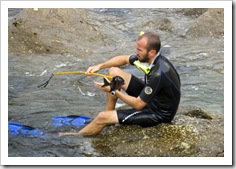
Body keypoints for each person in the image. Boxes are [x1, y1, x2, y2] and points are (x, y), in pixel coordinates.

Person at [60, 32, 181, 136]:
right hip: (153, 99)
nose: (136, 52)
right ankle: (110, 116)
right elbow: (124, 59)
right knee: (114, 72)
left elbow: (138, 105)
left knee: (102, 117)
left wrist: (113, 90)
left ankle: (76, 135)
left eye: (139, 50)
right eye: (136, 48)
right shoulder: (149, 57)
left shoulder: (158, 73)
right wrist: (99, 66)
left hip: (157, 114)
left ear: (152, 52)